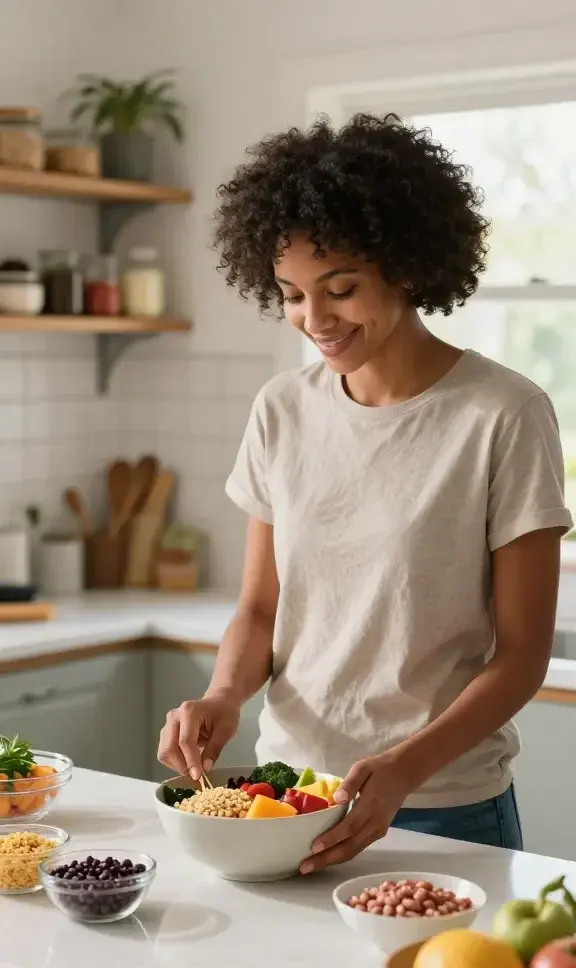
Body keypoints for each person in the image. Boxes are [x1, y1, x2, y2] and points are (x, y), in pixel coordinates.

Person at [158, 113, 573, 873]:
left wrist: (406, 767)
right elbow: (260, 609)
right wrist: (222, 696)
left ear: (406, 267)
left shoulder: (503, 414)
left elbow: (521, 655)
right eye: (290, 294)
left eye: (340, 288)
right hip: (288, 797)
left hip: (447, 810)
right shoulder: (281, 409)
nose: (314, 320)